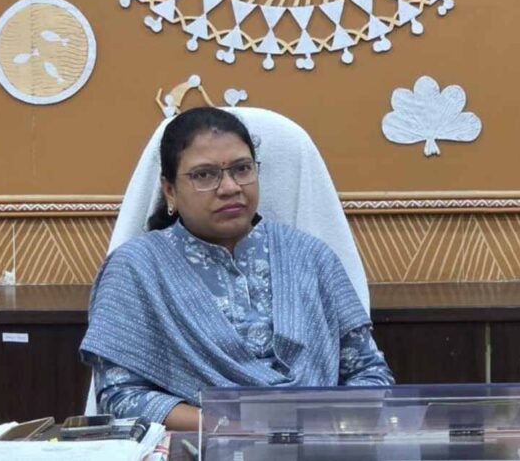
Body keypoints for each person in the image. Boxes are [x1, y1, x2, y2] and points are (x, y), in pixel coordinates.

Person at [80, 107, 394, 431]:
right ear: (169, 190)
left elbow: (369, 373)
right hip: (196, 445)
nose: (230, 187)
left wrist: (326, 427)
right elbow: (120, 396)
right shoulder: (135, 268)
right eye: (204, 175)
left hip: (316, 443)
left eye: (242, 169)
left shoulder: (312, 257)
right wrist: (234, 428)